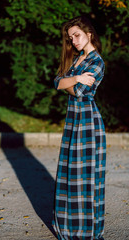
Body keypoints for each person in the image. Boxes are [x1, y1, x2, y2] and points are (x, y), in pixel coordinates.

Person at [52, 16, 106, 240]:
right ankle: (68, 227)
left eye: (77, 35)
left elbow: (79, 93)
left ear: (89, 34)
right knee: (68, 176)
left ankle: (86, 232)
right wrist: (75, 78)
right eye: (70, 37)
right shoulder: (75, 61)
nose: (73, 40)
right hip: (73, 120)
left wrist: (68, 81)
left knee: (85, 179)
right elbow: (57, 81)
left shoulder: (96, 62)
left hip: (88, 124)